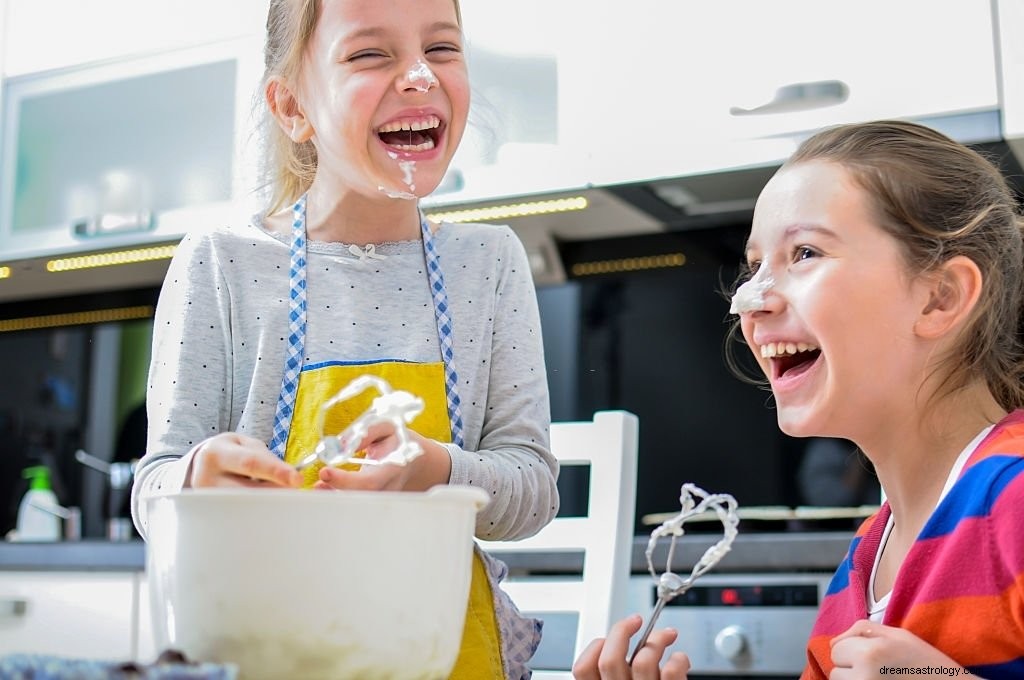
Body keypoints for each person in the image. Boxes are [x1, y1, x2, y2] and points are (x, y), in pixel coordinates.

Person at [130, 1, 559, 678]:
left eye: (441, 49)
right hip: (269, 654)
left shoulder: (490, 263)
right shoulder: (220, 263)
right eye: (369, 54)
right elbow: (152, 493)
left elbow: (533, 492)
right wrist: (197, 481)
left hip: (450, 657)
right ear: (292, 106)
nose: (419, 75)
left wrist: (438, 469)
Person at [573, 120, 1024, 679]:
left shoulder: (1016, 501)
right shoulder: (863, 563)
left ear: (941, 297)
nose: (748, 300)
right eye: (754, 265)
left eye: (804, 252)